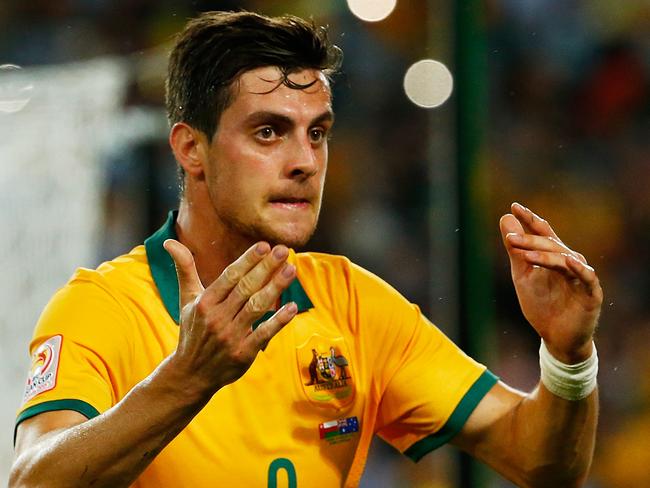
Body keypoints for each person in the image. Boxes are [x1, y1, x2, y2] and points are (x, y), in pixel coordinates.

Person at [10, 11, 602, 488]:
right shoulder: (104, 307)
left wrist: (568, 355)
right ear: (192, 148)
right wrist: (188, 379)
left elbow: (540, 463)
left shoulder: (354, 304)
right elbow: (32, 482)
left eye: (316, 133)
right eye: (269, 131)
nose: (304, 162)